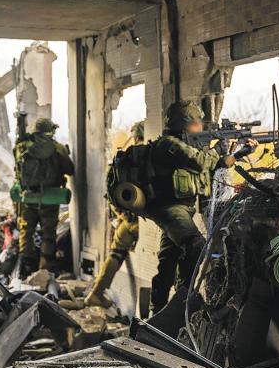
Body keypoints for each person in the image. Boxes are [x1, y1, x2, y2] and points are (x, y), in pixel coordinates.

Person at [147, 100, 256, 315]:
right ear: (184, 123)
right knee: (195, 244)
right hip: (170, 208)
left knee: (168, 260)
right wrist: (224, 152)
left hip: (181, 209)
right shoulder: (169, 145)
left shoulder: (183, 144)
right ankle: (184, 301)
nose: (200, 127)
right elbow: (199, 162)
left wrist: (231, 152)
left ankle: (157, 311)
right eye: (197, 123)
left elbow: (210, 165)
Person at [85, 121, 145, 307]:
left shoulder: (122, 160)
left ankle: (96, 292)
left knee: (116, 253)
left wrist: (123, 216)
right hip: (148, 221)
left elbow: (111, 193)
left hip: (127, 220)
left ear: (134, 136)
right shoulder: (152, 157)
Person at [14, 117, 74, 276]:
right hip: (49, 197)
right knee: (48, 233)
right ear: (51, 131)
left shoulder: (21, 147)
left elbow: (17, 168)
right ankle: (45, 268)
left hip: (28, 197)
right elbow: (70, 169)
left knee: (26, 231)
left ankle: (26, 267)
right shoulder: (57, 148)